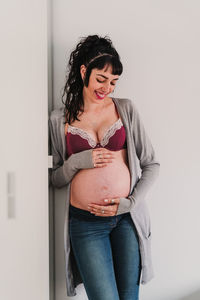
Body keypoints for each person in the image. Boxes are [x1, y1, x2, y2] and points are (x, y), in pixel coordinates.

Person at [49, 34, 160, 300]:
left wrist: (130, 203)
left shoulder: (126, 110)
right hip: (86, 225)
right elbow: (55, 179)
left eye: (113, 82)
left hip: (125, 220)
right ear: (84, 71)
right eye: (101, 79)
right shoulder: (58, 120)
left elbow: (151, 164)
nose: (107, 88)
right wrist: (77, 162)